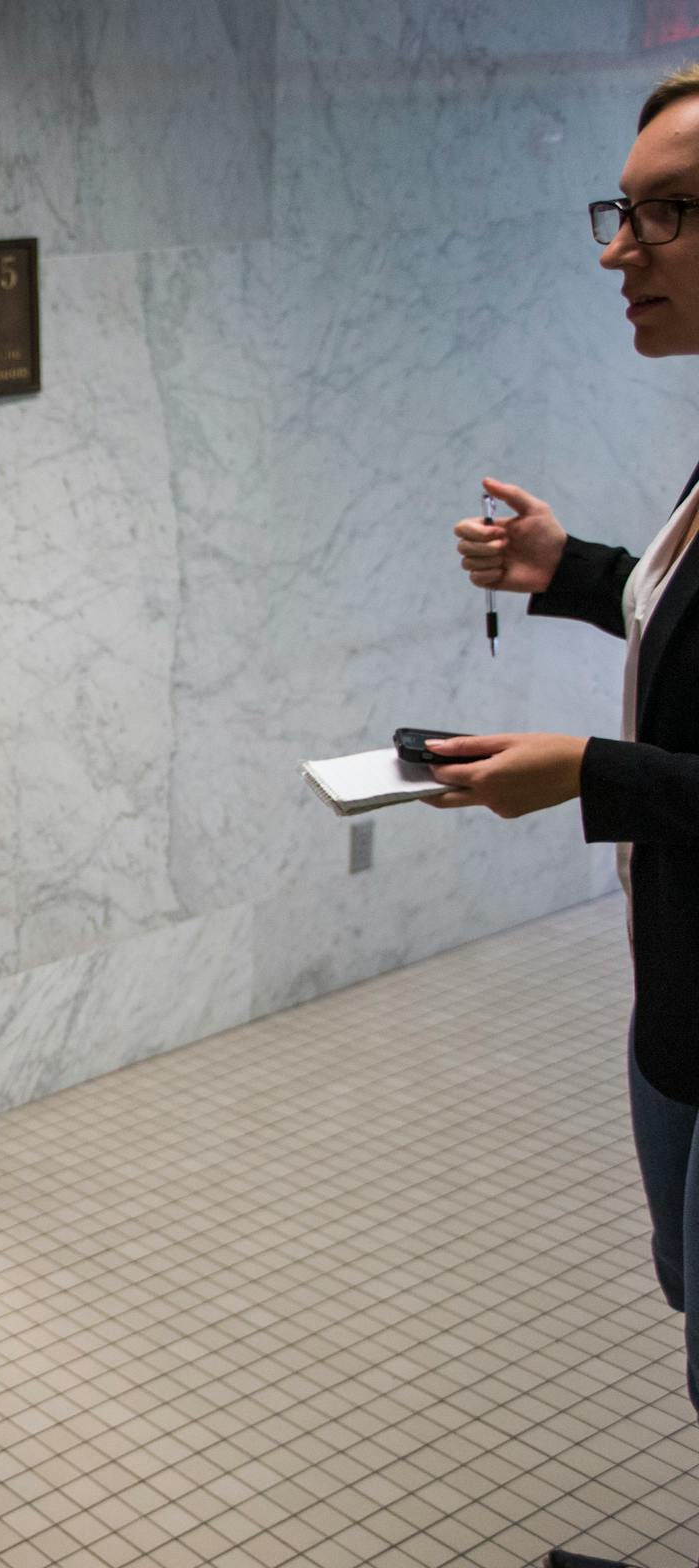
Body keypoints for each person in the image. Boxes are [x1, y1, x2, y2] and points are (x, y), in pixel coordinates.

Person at [436, 63, 699, 1568]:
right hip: (676, 982)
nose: (619, 249)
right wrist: (574, 565)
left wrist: (585, 776)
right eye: (623, 209)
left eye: (663, 213)